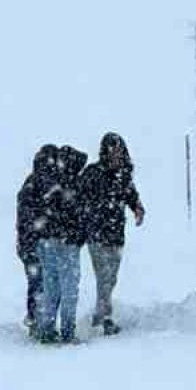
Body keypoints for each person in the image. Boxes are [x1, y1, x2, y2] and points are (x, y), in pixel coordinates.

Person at [78, 132, 145, 336]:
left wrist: (138, 209)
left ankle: (101, 313)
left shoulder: (123, 175)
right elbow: (79, 198)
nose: (117, 155)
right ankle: (104, 318)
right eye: (113, 151)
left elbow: (131, 195)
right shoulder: (92, 173)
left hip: (116, 235)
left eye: (120, 152)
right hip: (96, 235)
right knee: (104, 277)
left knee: (111, 278)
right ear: (105, 152)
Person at [33, 145, 88, 344]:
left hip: (47, 242)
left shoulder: (48, 182)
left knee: (51, 288)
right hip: (67, 244)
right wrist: (77, 235)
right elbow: (79, 216)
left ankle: (46, 329)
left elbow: (41, 213)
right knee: (69, 290)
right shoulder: (73, 184)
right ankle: (67, 332)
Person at [16, 144, 59, 332]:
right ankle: (36, 321)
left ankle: (37, 319)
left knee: (38, 283)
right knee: (39, 283)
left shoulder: (33, 184)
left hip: (32, 244)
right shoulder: (37, 186)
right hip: (35, 245)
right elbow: (30, 220)